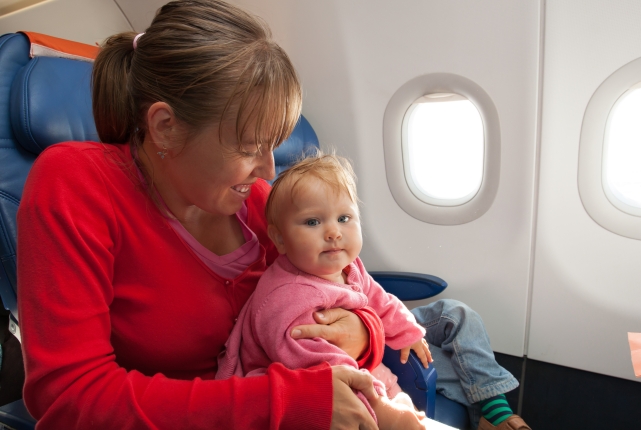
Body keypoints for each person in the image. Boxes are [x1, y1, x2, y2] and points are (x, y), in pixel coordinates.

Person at [16, 0, 529, 429]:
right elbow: (67, 399)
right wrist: (287, 402)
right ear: (166, 127)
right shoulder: (76, 185)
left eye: (273, 146)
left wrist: (364, 330)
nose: (267, 168)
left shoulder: (258, 205)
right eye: (249, 145)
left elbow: (336, 285)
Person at [215, 153, 431, 430]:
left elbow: (379, 299)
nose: (333, 232)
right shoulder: (287, 297)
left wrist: (407, 332)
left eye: (344, 218)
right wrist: (380, 409)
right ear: (280, 238)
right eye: (313, 222)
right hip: (302, 383)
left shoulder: (349, 266)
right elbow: (318, 366)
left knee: (400, 398)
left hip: (354, 367)